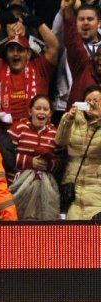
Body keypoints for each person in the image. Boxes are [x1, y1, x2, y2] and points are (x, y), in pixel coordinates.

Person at [0, 8, 59, 124]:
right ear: (6, 54)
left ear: (28, 54)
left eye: (20, 50)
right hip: (3, 130)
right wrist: (0, 21)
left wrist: (38, 23)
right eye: (11, 50)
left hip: (34, 128)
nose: (15, 53)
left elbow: (54, 47)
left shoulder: (40, 68)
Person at [8, 95, 61, 220]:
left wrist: (48, 164)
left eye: (45, 109)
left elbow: (60, 161)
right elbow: (7, 157)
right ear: (30, 111)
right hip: (18, 188)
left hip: (45, 189)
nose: (41, 112)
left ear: (50, 114)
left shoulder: (55, 133)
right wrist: (30, 162)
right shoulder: (18, 128)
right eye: (38, 108)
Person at [55, 85, 101, 220]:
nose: (92, 104)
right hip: (73, 188)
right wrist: (67, 119)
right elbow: (60, 141)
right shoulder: (74, 119)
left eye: (96, 101)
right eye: (89, 100)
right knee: (74, 236)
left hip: (97, 188)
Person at [62, 1, 101, 108]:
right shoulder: (80, 58)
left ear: (99, 23)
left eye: (90, 19)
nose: (85, 22)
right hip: (79, 114)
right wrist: (68, 8)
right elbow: (71, 34)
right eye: (81, 19)